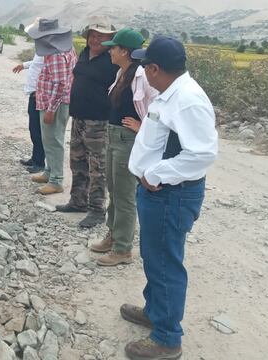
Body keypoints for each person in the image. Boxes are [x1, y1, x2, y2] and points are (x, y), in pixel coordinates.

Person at [120, 36, 218, 359]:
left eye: (146, 65)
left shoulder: (187, 100)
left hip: (169, 195)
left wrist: (155, 174)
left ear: (155, 69)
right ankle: (155, 311)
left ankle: (167, 337)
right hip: (158, 193)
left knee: (165, 263)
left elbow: (202, 155)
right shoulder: (170, 94)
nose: (144, 70)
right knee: (154, 255)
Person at [90, 28, 158, 266]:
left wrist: (144, 126)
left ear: (125, 51)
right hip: (115, 137)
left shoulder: (141, 75)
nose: (110, 51)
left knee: (124, 195)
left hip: (128, 141)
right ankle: (113, 235)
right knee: (113, 190)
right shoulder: (122, 72)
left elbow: (159, 103)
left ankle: (123, 249)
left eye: (114, 47)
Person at [55, 20, 119, 227]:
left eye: (101, 36)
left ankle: (97, 210)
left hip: (99, 122)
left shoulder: (112, 60)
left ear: (110, 39)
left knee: (97, 167)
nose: (95, 39)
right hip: (78, 118)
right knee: (77, 162)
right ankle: (78, 201)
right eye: (93, 34)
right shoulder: (83, 54)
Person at [26, 18, 78, 195]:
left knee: (53, 140)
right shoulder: (65, 49)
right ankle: (49, 172)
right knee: (50, 139)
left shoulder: (56, 54)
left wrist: (50, 109)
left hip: (54, 104)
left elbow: (60, 84)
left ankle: (56, 179)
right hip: (55, 102)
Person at [13, 42, 45, 173]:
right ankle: (35, 158)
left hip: (40, 95)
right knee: (33, 129)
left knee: (37, 130)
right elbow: (36, 63)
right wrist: (24, 65)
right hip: (33, 94)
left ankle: (39, 162)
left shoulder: (50, 51)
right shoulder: (42, 50)